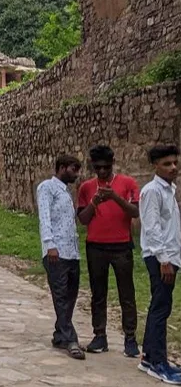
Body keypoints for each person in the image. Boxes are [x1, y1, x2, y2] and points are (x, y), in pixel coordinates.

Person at [76, 145, 140, 357]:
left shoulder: (128, 183)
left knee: (126, 294)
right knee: (98, 294)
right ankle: (99, 335)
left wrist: (115, 198)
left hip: (121, 245)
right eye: (97, 168)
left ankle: (130, 338)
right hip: (95, 246)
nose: (102, 171)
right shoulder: (86, 187)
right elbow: (83, 219)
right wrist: (94, 202)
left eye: (106, 167)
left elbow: (135, 212)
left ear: (113, 163)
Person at [138, 145, 181, 383]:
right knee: (161, 309)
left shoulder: (169, 190)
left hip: (170, 256)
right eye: (167, 164)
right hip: (160, 258)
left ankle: (148, 357)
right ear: (155, 166)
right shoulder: (152, 191)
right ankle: (158, 363)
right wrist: (164, 259)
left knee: (159, 306)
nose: (173, 167)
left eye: (175, 162)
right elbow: (152, 228)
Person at [36, 155, 85, 360]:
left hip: (71, 251)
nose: (77, 174)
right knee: (61, 297)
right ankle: (70, 339)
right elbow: (44, 217)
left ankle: (60, 335)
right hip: (56, 252)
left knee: (71, 296)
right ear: (62, 168)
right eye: (74, 169)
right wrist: (50, 244)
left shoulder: (66, 192)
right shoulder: (47, 188)